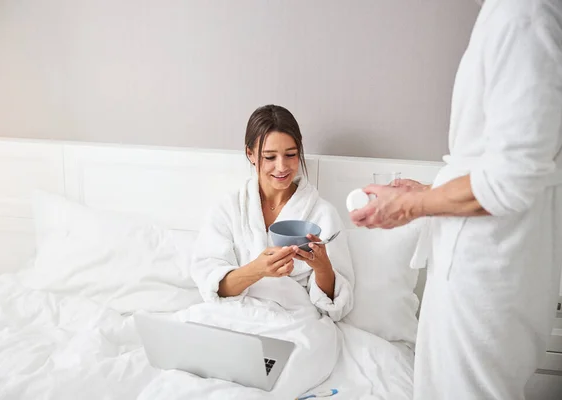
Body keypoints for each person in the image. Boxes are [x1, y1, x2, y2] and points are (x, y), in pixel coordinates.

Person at [350, 1, 562, 399]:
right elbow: (507, 161)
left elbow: (510, 179)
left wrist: (408, 206)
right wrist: (427, 194)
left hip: (488, 266)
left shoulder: (525, 15)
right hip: (488, 256)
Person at [185, 104, 354, 398]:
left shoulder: (322, 213)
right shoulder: (228, 208)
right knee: (188, 360)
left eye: (291, 155)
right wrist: (257, 270)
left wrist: (322, 267)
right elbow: (212, 284)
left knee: (279, 377)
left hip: (293, 322)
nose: (282, 167)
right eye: (269, 156)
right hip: (235, 316)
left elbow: (334, 306)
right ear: (250, 154)